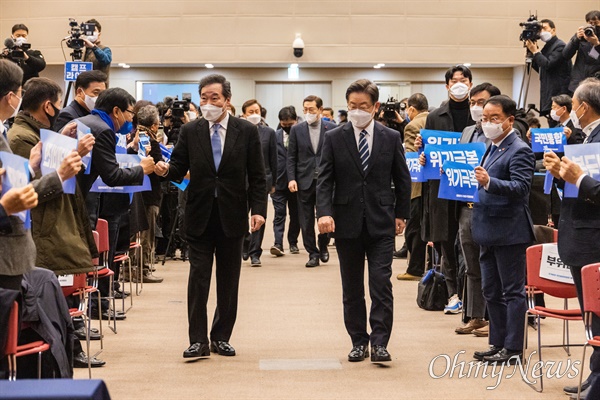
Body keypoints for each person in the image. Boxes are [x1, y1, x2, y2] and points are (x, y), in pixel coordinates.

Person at [154, 74, 267, 359]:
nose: (208, 103)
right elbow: (178, 167)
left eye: (214, 98)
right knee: (198, 278)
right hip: (199, 213)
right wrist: (164, 170)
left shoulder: (246, 131)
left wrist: (259, 211)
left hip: (232, 214)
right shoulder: (191, 131)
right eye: (203, 98)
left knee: (229, 280)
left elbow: (256, 176)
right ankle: (198, 340)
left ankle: (221, 336)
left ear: (227, 100)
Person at [316, 79, 411, 363]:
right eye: (352, 106)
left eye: (363, 106)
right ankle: (359, 341)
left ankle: (380, 343)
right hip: (346, 222)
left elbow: (402, 179)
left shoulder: (390, 137)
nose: (357, 111)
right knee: (352, 287)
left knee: (381, 284)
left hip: (381, 222)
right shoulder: (334, 137)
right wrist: (324, 212)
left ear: (376, 107)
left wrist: (401, 214)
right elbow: (324, 179)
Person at [77, 88, 156, 318]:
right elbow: (111, 176)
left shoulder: (83, 121)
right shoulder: (104, 131)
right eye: (130, 113)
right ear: (116, 111)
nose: (132, 119)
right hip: (82, 203)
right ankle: (89, 312)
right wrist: (141, 170)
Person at [543, 78, 600, 399]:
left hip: (593, 238)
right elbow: (579, 189)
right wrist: (561, 176)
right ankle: (596, 374)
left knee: (598, 314)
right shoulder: (587, 137)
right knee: (591, 316)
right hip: (579, 236)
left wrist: (577, 176)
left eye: (574, 104)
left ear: (582, 107)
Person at [471, 95, 535, 364]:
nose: (488, 123)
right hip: (487, 228)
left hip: (510, 230)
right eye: (485, 119)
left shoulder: (519, 149)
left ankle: (513, 348)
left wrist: (489, 182)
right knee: (491, 291)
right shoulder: (490, 145)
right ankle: (497, 342)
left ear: (509, 120)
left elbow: (521, 189)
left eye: (494, 118)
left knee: (512, 291)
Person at [420, 64, 475, 314]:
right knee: (445, 241)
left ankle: (470, 293)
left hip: (469, 187)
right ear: (447, 85)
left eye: (463, 80)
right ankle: (453, 293)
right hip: (442, 188)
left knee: (469, 242)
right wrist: (423, 156)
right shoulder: (435, 116)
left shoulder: (478, 115)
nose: (459, 84)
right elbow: (429, 154)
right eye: (454, 81)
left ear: (471, 83)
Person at [453, 83, 500, 336]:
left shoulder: (502, 134)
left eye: (481, 102)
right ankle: (476, 316)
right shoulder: (467, 131)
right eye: (472, 102)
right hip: (467, 207)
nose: (476, 107)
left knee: (493, 265)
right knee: (471, 264)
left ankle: (495, 318)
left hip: (492, 207)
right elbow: (457, 163)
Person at [0, 60, 41, 291]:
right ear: (10, 96)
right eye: (19, 93)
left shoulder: (4, 129)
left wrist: (30, 167)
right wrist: (61, 174)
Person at [287, 95, 337, 267]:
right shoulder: (296, 130)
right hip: (304, 180)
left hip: (326, 180)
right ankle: (312, 253)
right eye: (305, 110)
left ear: (320, 110)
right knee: (305, 220)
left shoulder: (332, 128)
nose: (308, 113)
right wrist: (291, 178)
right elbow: (291, 156)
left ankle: (323, 245)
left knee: (325, 215)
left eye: (312, 110)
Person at [396, 93, 429, 281]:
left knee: (414, 228)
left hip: (417, 186)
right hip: (434, 186)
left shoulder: (412, 126)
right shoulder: (434, 120)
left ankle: (414, 268)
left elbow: (411, 159)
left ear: (411, 109)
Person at [241, 99, 277, 267]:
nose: (254, 114)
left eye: (257, 111)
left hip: (262, 181)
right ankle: (245, 242)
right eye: (251, 112)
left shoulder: (269, 132)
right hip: (241, 181)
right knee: (240, 216)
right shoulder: (239, 131)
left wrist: (273, 182)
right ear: (243, 114)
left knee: (260, 217)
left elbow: (273, 159)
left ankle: (256, 252)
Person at [525, 19, 572, 125]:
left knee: (558, 126)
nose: (541, 32)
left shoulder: (560, 46)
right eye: (539, 29)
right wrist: (532, 54)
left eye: (544, 28)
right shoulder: (547, 47)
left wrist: (536, 52)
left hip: (559, 95)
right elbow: (541, 68)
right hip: (548, 93)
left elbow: (548, 65)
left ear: (553, 29)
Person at [270, 106, 301, 257]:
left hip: (297, 183)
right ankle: (278, 243)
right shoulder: (274, 136)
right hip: (278, 182)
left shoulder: (302, 135)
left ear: (296, 121)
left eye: (291, 125)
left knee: (296, 214)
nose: (288, 128)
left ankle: (293, 242)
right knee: (279, 213)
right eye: (284, 125)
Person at [563, 10, 600, 94]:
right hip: (578, 83)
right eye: (590, 23)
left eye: (595, 23)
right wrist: (576, 38)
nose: (593, 26)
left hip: (596, 85)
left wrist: (596, 44)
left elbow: (595, 58)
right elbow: (565, 55)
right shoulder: (583, 35)